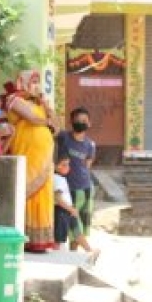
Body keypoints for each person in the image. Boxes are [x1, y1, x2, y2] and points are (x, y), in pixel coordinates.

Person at [5, 70, 58, 252]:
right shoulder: (13, 99)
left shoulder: (41, 105)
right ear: (22, 82)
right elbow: (32, 119)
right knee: (26, 191)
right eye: (32, 81)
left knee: (43, 195)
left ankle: (41, 240)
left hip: (43, 156)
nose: (35, 85)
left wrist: (47, 107)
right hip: (26, 152)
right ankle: (24, 237)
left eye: (37, 82)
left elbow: (56, 127)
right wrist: (47, 120)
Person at [56, 107, 97, 251]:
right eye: (78, 120)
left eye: (84, 120)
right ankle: (88, 251)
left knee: (82, 225)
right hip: (68, 189)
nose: (81, 123)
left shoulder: (90, 145)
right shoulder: (63, 137)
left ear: (89, 123)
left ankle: (74, 253)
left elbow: (87, 166)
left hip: (86, 189)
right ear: (71, 122)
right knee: (73, 223)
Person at [53, 153, 96, 253]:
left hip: (67, 210)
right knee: (60, 236)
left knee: (76, 231)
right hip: (62, 211)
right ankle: (58, 253)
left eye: (68, 164)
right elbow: (58, 198)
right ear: (55, 166)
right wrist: (71, 209)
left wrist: (71, 209)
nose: (67, 167)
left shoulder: (61, 178)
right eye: (64, 165)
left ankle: (89, 250)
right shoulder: (57, 179)